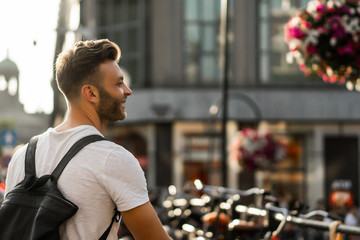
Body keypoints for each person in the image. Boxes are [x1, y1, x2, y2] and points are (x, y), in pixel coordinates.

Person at [4, 39, 172, 240]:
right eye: (119, 83)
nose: (128, 90)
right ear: (91, 93)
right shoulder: (113, 159)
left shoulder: (22, 156)